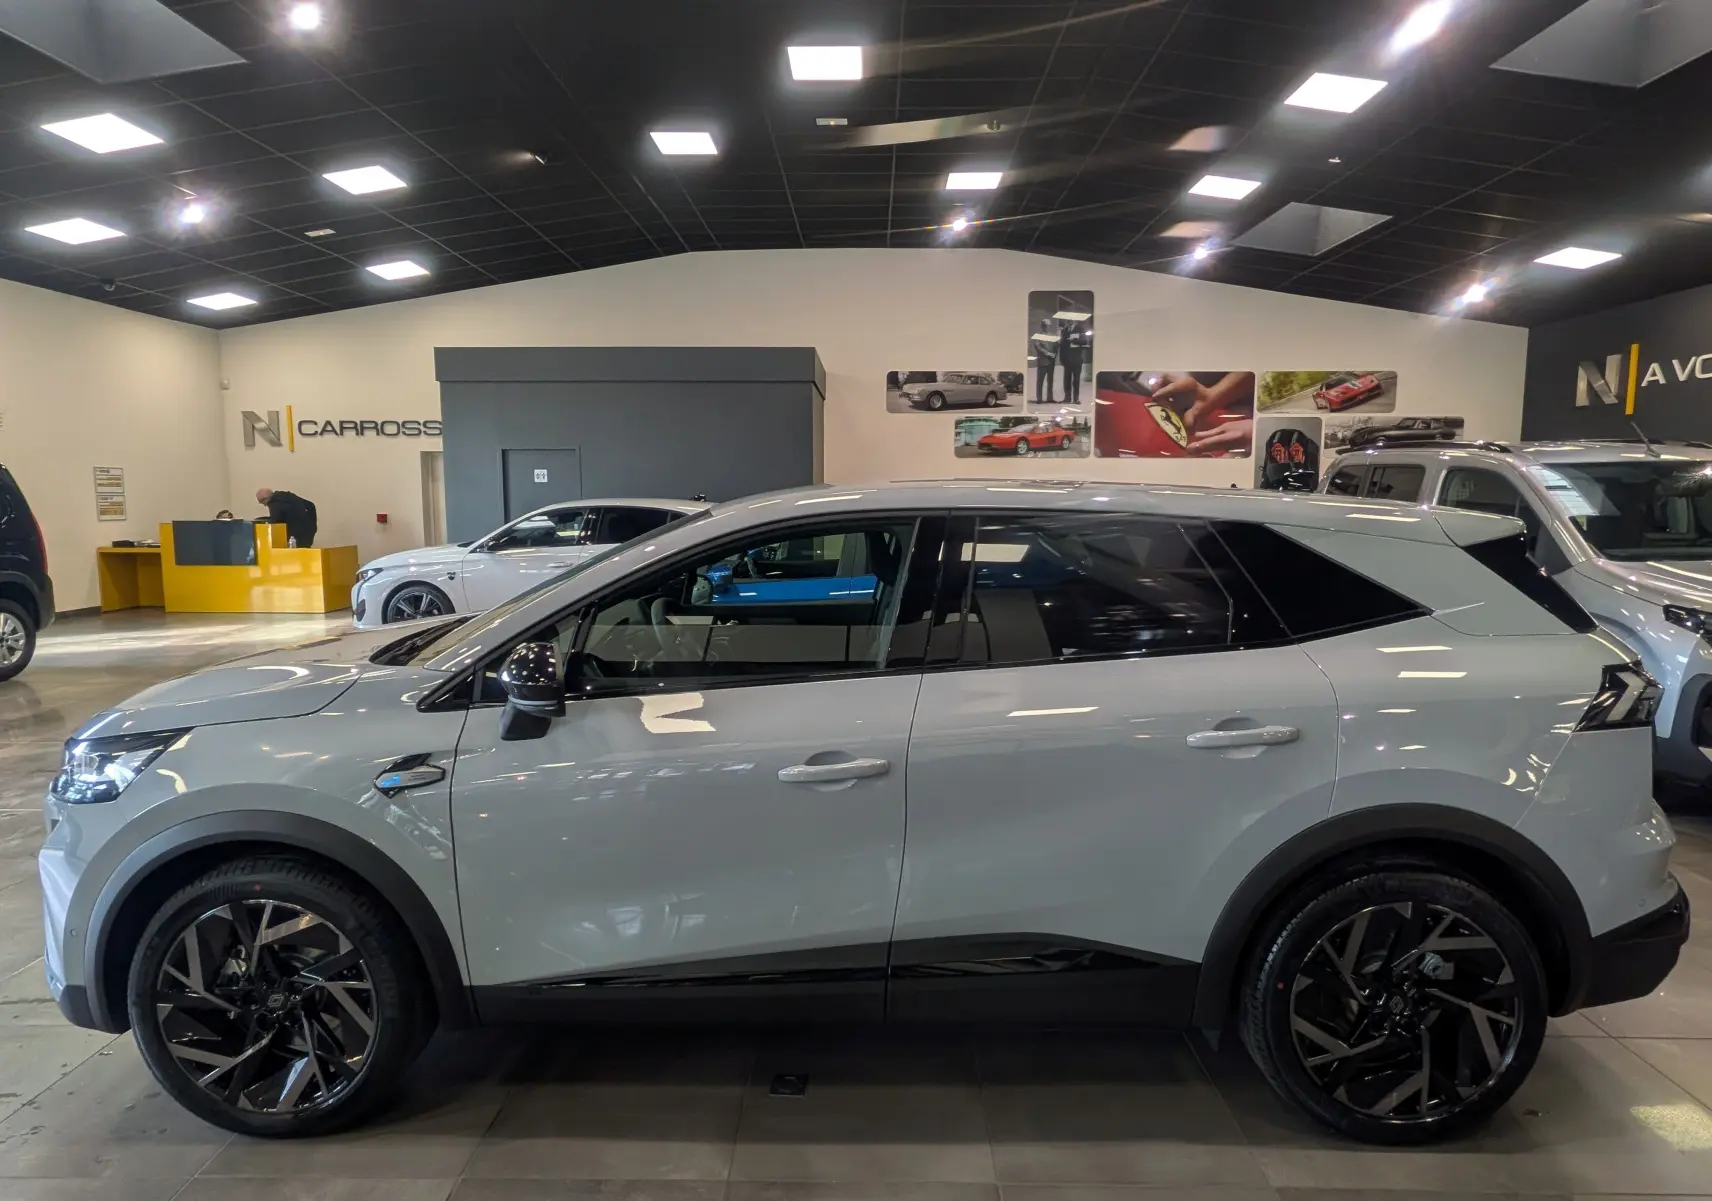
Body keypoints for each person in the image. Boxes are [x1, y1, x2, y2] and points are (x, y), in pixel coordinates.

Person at [1059, 320, 1086, 406]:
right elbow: (1062, 345)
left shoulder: (1080, 328)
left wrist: (1073, 340)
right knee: (1067, 380)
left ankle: (1076, 398)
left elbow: (1084, 342)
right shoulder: (1064, 330)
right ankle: (1067, 398)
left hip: (1077, 359)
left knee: (1076, 380)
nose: (1069, 321)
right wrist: (1061, 358)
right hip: (1067, 360)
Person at [1032, 318, 1056, 404]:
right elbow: (1037, 347)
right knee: (1040, 381)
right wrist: (1048, 353)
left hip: (1051, 362)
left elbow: (1055, 346)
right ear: (1043, 326)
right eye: (1047, 326)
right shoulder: (1038, 335)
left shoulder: (1051, 336)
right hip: (1043, 361)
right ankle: (1039, 399)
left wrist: (1054, 354)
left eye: (1049, 326)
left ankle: (1050, 398)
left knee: (1050, 381)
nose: (1048, 327)